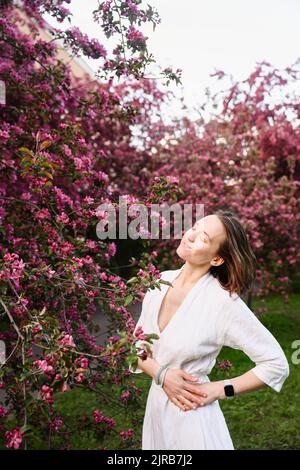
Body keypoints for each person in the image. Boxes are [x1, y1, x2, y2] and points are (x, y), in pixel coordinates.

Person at [129, 210, 290, 450]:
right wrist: (162, 375)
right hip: (156, 413)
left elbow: (276, 364)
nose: (191, 236)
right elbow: (136, 347)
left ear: (216, 259)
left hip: (193, 417)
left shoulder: (222, 303)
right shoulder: (158, 282)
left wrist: (217, 389)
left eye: (204, 238)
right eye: (194, 227)